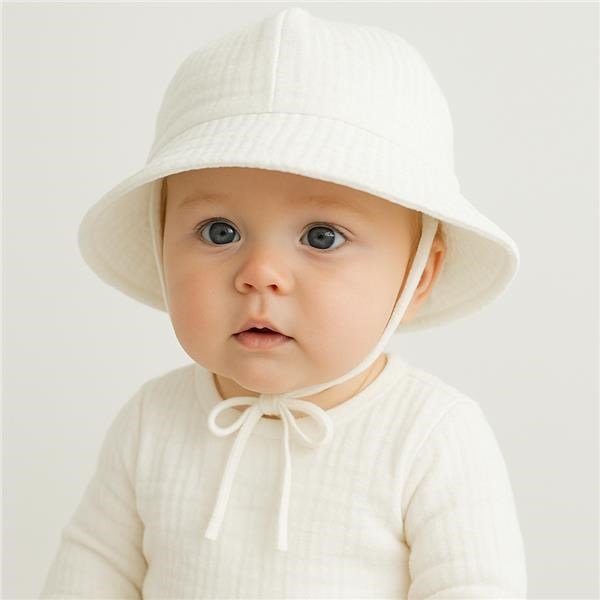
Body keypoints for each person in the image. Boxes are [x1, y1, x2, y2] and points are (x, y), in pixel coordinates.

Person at [40, 6, 527, 598]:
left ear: (419, 275)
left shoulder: (430, 435)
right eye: (219, 231)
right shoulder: (152, 420)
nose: (260, 275)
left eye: (321, 237)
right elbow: (91, 571)